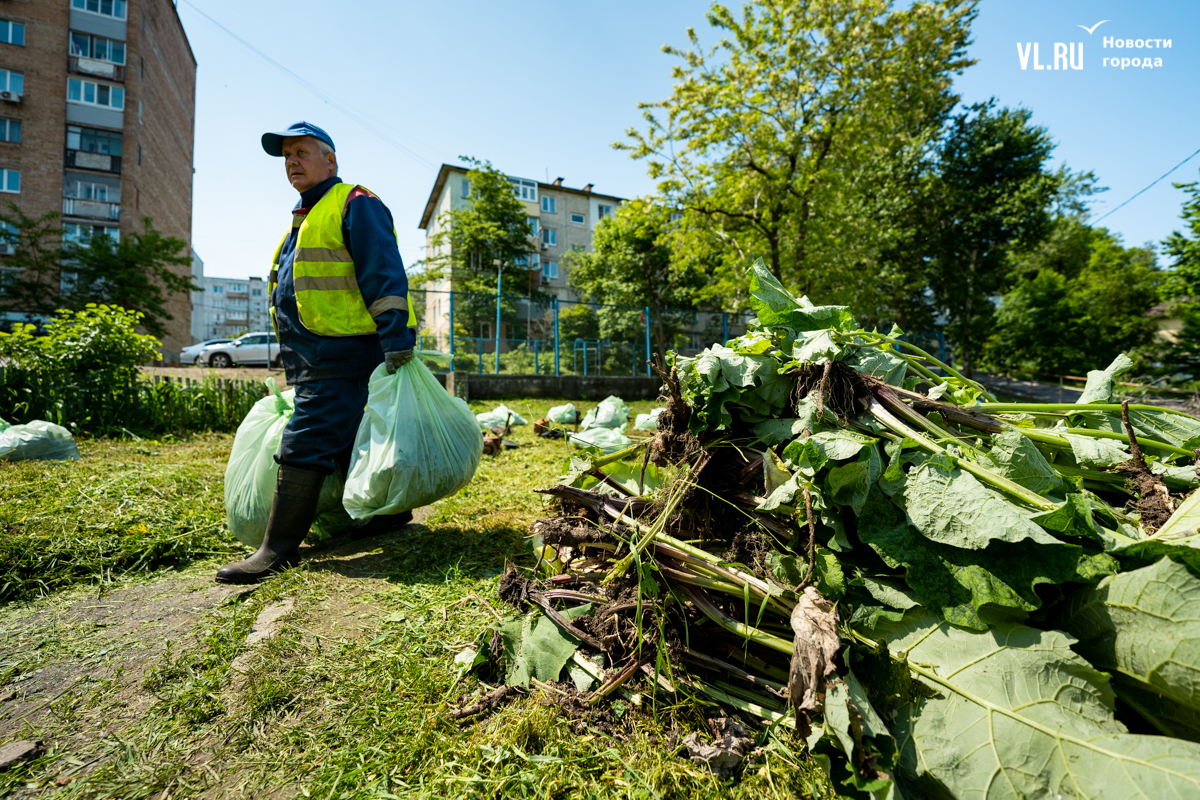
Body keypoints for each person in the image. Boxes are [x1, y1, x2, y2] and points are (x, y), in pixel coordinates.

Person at [216, 121, 416, 584]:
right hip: (314, 355)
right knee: (344, 438)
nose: (292, 162)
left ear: (330, 159)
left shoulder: (354, 203)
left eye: (302, 152)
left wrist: (396, 338)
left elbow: (384, 273)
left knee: (305, 441)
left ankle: (277, 549)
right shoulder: (303, 219)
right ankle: (387, 515)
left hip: (342, 349)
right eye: (287, 156)